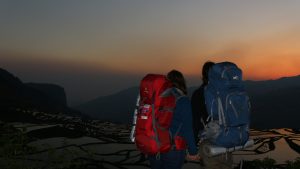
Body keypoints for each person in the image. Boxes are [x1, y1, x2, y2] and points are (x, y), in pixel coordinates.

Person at [148, 70, 200, 169]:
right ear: (182, 83)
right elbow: (187, 130)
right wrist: (193, 151)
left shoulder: (157, 97)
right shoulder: (183, 101)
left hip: (154, 147)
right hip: (173, 150)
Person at [191, 62, 233, 169]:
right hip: (226, 145)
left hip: (208, 146)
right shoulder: (224, 93)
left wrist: (194, 148)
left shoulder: (198, 94)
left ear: (203, 75)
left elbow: (195, 123)